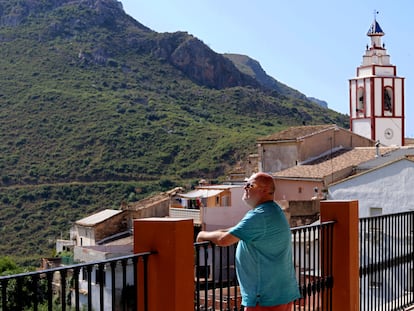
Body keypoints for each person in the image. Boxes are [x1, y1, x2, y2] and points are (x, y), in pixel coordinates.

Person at [196, 172, 300, 311]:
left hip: (264, 296)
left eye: (249, 185)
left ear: (264, 190)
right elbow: (234, 231)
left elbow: (224, 240)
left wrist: (202, 234)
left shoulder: (259, 216)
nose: (245, 188)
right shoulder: (273, 210)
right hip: (280, 291)